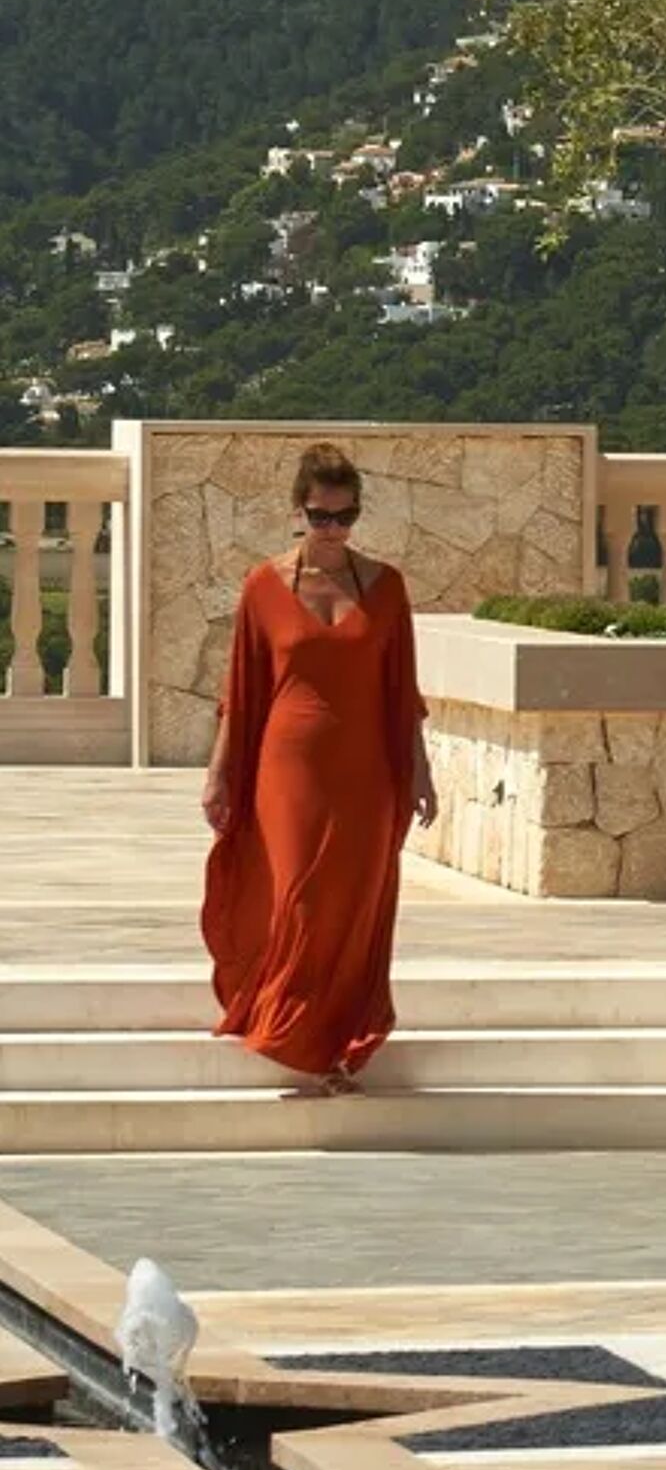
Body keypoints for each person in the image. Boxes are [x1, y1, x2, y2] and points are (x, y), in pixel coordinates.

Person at [198, 442, 434, 1093]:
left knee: (352, 905)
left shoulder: (386, 587)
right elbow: (240, 690)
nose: (333, 529)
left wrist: (419, 770)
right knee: (302, 899)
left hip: (367, 772)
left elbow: (402, 690)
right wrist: (219, 773)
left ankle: (336, 1048)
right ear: (297, 511)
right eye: (321, 515)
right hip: (289, 768)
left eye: (345, 516)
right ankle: (293, 1031)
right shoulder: (263, 586)